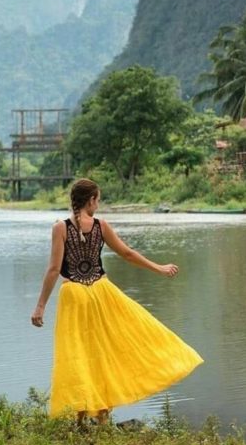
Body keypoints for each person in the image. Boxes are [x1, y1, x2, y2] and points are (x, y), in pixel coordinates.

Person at [30, 177, 203, 424]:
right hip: (102, 292)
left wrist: (40, 306)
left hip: (74, 295)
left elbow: (53, 269)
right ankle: (101, 416)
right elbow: (127, 253)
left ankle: (79, 417)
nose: (98, 206)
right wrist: (159, 268)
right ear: (90, 200)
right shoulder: (101, 226)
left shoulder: (60, 228)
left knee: (76, 353)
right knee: (104, 350)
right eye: (97, 200)